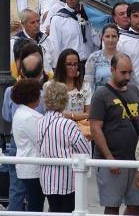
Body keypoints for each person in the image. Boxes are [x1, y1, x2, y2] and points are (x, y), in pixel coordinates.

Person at [89, 53, 139, 215]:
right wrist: (109, 158)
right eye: (123, 72)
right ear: (112, 70)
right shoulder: (101, 94)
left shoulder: (135, 90)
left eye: (130, 72)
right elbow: (95, 128)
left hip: (136, 160)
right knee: (112, 206)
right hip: (112, 160)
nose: (127, 76)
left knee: (136, 204)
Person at [37, 82, 92, 213]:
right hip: (66, 180)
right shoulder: (68, 124)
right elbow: (84, 150)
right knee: (68, 211)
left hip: (47, 179)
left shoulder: (40, 122)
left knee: (54, 209)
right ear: (64, 100)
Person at [47, 0, 100, 68]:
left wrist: (92, 21)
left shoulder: (88, 15)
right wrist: (57, 70)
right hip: (69, 66)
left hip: (89, 64)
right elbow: (55, 48)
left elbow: (97, 42)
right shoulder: (58, 19)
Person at [10, 78, 45, 211]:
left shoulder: (21, 112)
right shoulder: (31, 117)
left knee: (34, 201)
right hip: (32, 167)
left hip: (27, 164)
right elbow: (41, 141)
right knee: (35, 204)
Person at [84, 23, 119, 95]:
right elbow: (88, 84)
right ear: (102, 37)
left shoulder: (123, 58)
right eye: (107, 36)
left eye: (114, 36)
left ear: (118, 38)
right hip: (99, 100)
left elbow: (132, 82)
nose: (110, 40)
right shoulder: (93, 58)